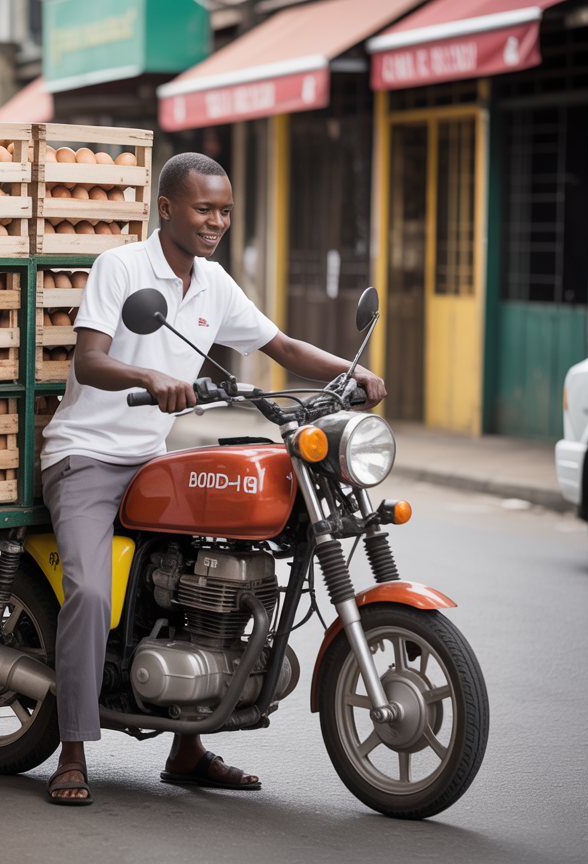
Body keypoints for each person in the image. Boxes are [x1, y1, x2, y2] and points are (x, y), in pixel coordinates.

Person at [38, 152, 387, 805]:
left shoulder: (213, 282)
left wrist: (351, 371)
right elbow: (89, 361)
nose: (216, 221)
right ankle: (73, 750)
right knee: (87, 590)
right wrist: (149, 377)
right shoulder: (121, 268)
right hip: (86, 455)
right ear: (167, 208)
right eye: (204, 208)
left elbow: (279, 346)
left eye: (225, 210)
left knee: (213, 564)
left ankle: (188, 743)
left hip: (151, 457)